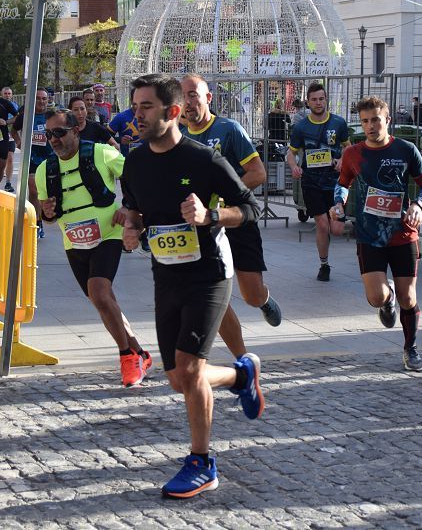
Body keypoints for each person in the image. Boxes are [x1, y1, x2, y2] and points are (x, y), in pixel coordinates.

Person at [120, 74, 264, 499]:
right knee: (178, 380)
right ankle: (241, 376)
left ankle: (202, 462)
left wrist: (211, 216)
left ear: (173, 111)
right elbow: (134, 209)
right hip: (166, 274)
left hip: (209, 275)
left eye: (146, 107)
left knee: (189, 370)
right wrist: (131, 227)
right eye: (135, 106)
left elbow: (251, 208)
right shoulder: (135, 161)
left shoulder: (204, 160)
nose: (137, 115)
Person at [35, 109, 153, 386]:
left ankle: (127, 358)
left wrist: (128, 208)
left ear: (76, 131)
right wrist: (47, 212)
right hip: (74, 240)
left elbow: (136, 176)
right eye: (49, 134)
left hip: (108, 234)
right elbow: (48, 218)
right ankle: (140, 352)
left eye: (60, 133)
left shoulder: (101, 153)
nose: (54, 139)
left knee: (99, 292)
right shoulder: (44, 170)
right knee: (103, 301)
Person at [181, 75, 282, 360]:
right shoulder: (177, 134)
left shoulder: (229, 130)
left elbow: (258, 173)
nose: (188, 102)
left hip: (236, 218)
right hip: (202, 227)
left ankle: (263, 300)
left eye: (193, 95)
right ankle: (242, 360)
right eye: (183, 96)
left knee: (250, 295)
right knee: (215, 296)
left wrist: (223, 199)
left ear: (208, 98)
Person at [331, 97, 422, 371]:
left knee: (408, 298)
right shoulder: (353, 154)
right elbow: (342, 184)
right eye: (365, 121)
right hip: (369, 235)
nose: (370, 126)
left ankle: (410, 348)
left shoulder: (406, 149)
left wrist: (417, 205)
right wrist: (338, 203)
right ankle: (386, 303)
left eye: (375, 120)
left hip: (403, 234)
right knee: (377, 297)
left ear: (387, 120)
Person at [286, 82, 350, 281]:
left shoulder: (338, 123)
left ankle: (335, 222)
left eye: (321, 99)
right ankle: (324, 265)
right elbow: (291, 152)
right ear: (308, 102)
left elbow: (348, 147)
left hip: (335, 183)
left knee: (337, 229)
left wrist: (341, 160)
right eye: (314, 99)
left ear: (326, 100)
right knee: (322, 225)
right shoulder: (301, 127)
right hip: (311, 182)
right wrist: (294, 166)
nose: (318, 102)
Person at [10, 88, 53, 237]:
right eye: (38, 98)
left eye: (44, 99)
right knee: (34, 190)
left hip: (50, 158)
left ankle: (46, 215)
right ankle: (38, 222)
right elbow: (13, 131)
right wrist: (18, 142)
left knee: (48, 193)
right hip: (32, 158)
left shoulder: (52, 116)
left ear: (48, 100)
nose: (41, 101)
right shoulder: (25, 116)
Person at [0, 86, 20, 193]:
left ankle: (8, 182)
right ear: (1, 95)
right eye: (5, 93)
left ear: (11, 95)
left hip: (10, 136)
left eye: (9, 93)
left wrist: (8, 122)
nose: (7, 95)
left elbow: (17, 119)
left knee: (10, 158)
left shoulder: (15, 106)